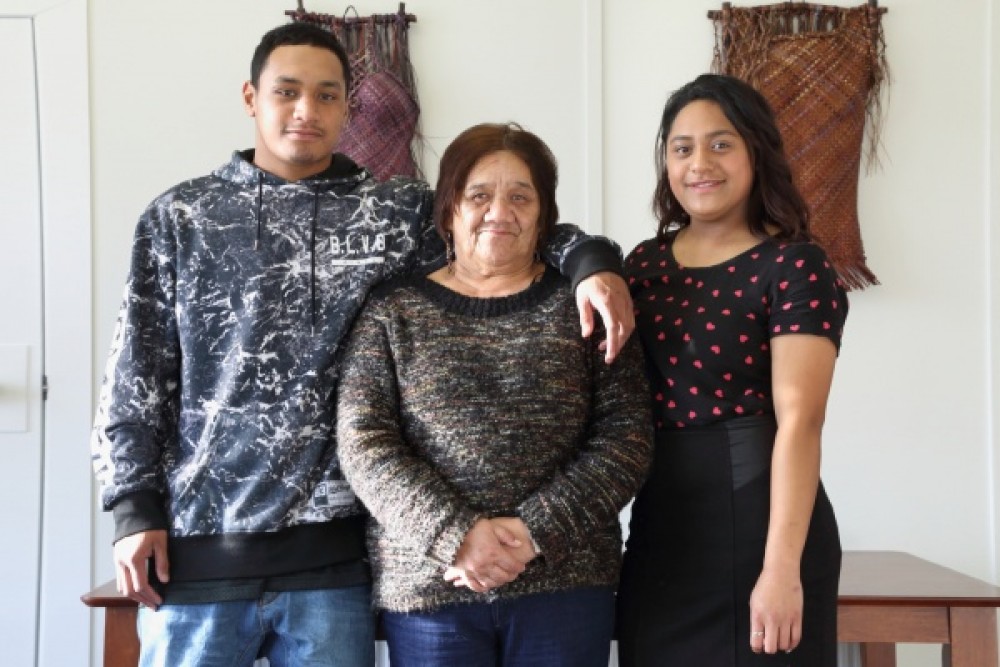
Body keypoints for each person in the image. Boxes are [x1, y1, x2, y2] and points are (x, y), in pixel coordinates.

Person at [90, 23, 634, 667]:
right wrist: (132, 509)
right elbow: (135, 375)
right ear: (250, 97)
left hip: (333, 564)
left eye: (326, 95)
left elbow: (500, 222)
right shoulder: (180, 217)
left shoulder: (396, 212)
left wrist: (593, 262)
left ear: (348, 107)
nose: (306, 111)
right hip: (202, 547)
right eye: (286, 91)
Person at [335, 122, 654, 667]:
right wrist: (455, 535)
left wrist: (535, 531)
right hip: (430, 588)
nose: (499, 212)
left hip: (565, 585)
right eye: (479, 195)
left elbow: (626, 438)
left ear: (544, 215)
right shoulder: (394, 312)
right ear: (449, 211)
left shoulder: (584, 306)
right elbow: (365, 445)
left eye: (520, 197)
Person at [615, 73, 848, 666]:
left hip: (757, 522)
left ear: (756, 151)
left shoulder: (795, 265)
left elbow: (802, 422)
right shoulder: (642, 263)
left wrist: (780, 570)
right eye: (681, 147)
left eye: (721, 144)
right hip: (661, 524)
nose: (700, 164)